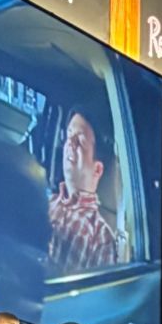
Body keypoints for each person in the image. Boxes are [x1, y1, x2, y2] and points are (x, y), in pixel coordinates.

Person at [47, 108, 124, 274]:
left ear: (97, 169)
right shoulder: (47, 202)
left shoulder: (101, 237)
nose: (70, 143)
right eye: (69, 135)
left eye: (80, 140)